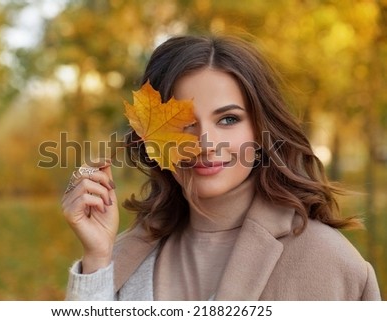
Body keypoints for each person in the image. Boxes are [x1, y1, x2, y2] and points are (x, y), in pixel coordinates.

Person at [61, 35, 381, 300]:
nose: (205, 142)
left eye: (228, 119)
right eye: (185, 123)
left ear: (260, 130)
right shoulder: (122, 256)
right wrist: (97, 262)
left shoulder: (327, 261)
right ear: (150, 138)